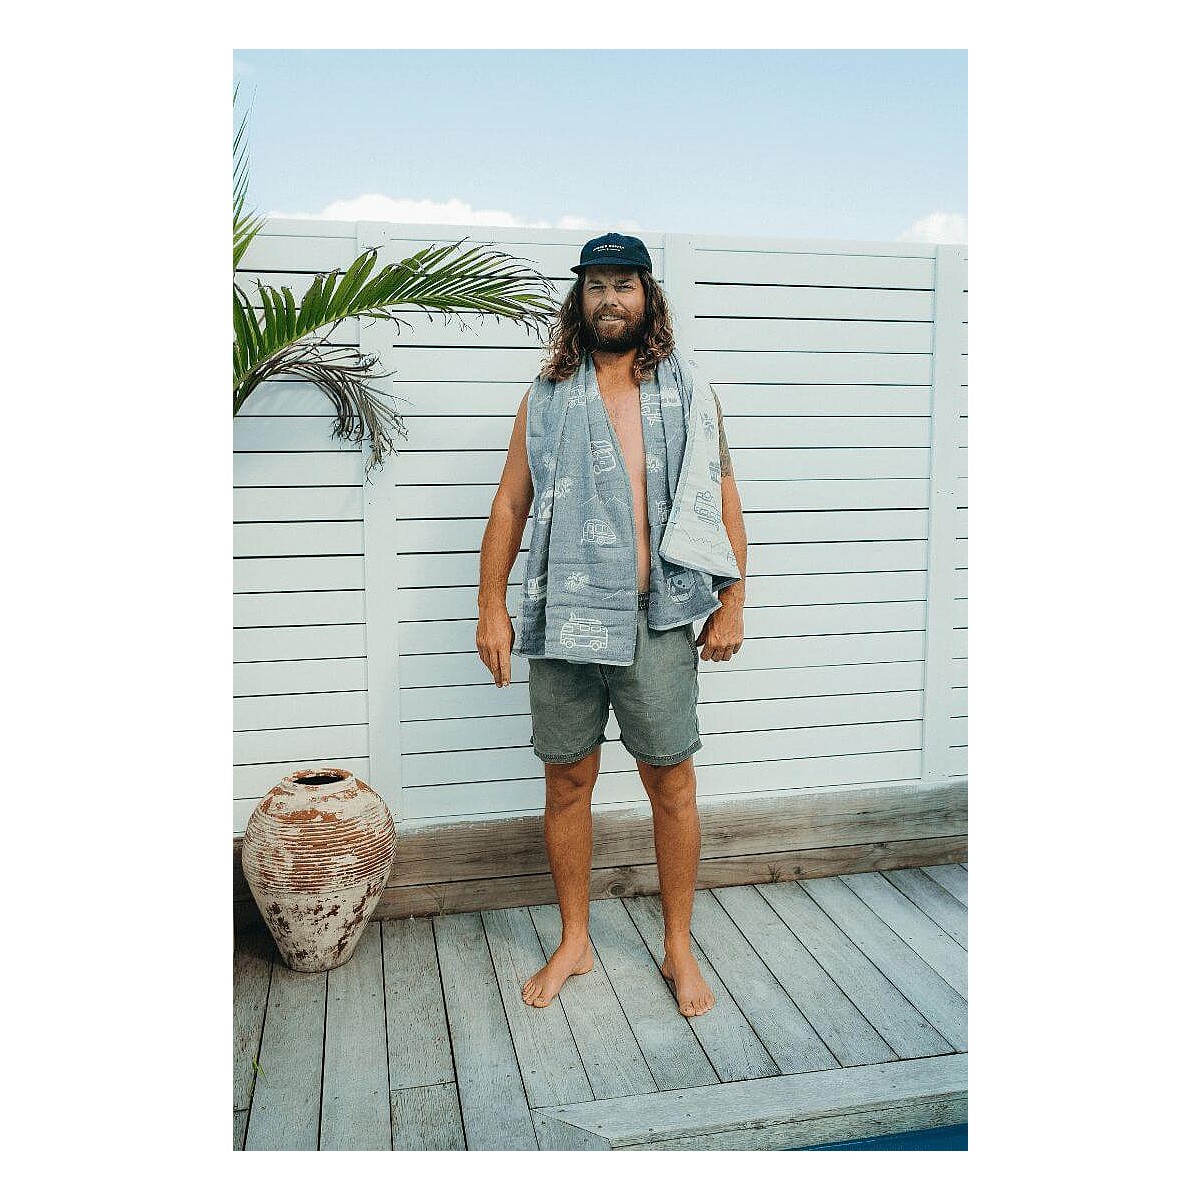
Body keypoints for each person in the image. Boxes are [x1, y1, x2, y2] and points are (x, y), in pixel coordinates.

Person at [476, 233, 748, 1018]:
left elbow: (722, 494)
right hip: (565, 620)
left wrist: (732, 600)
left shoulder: (688, 393)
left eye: (623, 284)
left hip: (657, 620)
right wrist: (491, 605)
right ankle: (575, 940)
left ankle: (677, 945)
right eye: (595, 285)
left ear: (648, 296)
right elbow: (510, 503)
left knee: (672, 783)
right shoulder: (547, 398)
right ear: (580, 300)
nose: (609, 299)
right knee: (567, 782)